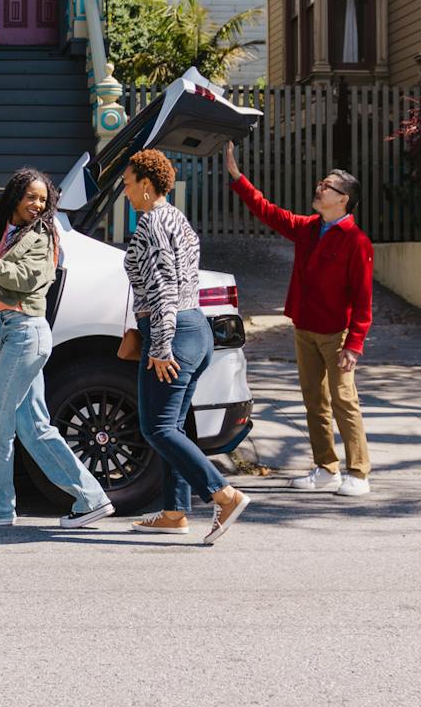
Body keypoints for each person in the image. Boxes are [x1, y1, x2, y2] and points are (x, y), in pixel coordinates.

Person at [0, 167, 115, 529]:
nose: (37, 204)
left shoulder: (43, 235)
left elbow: (30, 278)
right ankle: (91, 499)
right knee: (34, 428)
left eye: (42, 199)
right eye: (31, 197)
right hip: (12, 334)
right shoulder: (1, 231)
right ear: (15, 196)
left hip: (26, 333)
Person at [223, 142, 373, 496]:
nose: (319, 189)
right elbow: (268, 211)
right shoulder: (308, 228)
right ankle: (326, 468)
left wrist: (354, 344)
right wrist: (237, 177)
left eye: (328, 186)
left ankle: (359, 472)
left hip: (337, 334)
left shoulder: (356, 241)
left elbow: (364, 301)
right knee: (313, 400)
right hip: (304, 328)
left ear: (343, 199)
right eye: (321, 183)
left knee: (343, 400)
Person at [122, 149, 252, 544]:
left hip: (172, 332)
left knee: (157, 427)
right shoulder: (177, 218)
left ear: (147, 184)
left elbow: (163, 287)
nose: (125, 192)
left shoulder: (152, 223)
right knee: (173, 426)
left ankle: (224, 495)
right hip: (196, 329)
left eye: (128, 184)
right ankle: (176, 512)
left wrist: (160, 345)